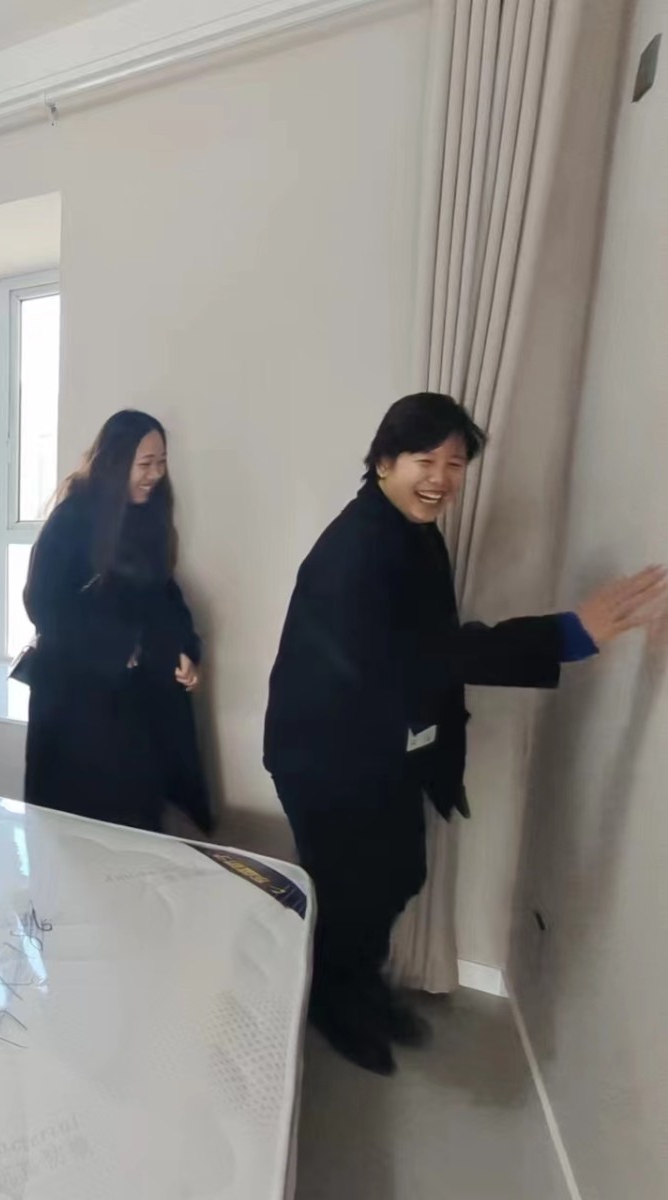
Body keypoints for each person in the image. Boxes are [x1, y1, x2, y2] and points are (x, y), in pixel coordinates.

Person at [264, 392, 666, 1075]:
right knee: (352, 892)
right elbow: (433, 653)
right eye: (425, 460)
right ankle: (335, 1003)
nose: (441, 479)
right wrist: (568, 634)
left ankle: (358, 986)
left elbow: (429, 644)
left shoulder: (410, 529)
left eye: (455, 464)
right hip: (325, 758)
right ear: (384, 462)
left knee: (399, 873)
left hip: (378, 747)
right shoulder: (358, 548)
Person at [20, 410, 211, 834]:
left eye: (161, 462)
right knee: (77, 834)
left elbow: (164, 595)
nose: (155, 474)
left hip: (132, 706)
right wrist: (116, 647)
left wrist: (184, 649)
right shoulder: (72, 519)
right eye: (145, 464)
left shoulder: (147, 517)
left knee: (137, 829)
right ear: (115, 461)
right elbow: (42, 605)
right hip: (75, 706)